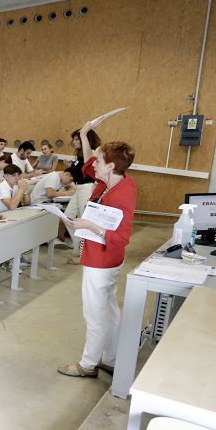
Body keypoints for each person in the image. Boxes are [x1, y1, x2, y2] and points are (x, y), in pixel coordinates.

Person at [57, 125, 137, 379]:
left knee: (95, 313)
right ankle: (110, 358)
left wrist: (90, 225)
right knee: (110, 310)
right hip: (103, 258)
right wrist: (84, 133)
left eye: (101, 160)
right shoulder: (110, 180)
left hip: (102, 260)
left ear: (112, 166)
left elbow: (121, 237)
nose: (95, 163)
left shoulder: (122, 194)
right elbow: (89, 159)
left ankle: (88, 364)